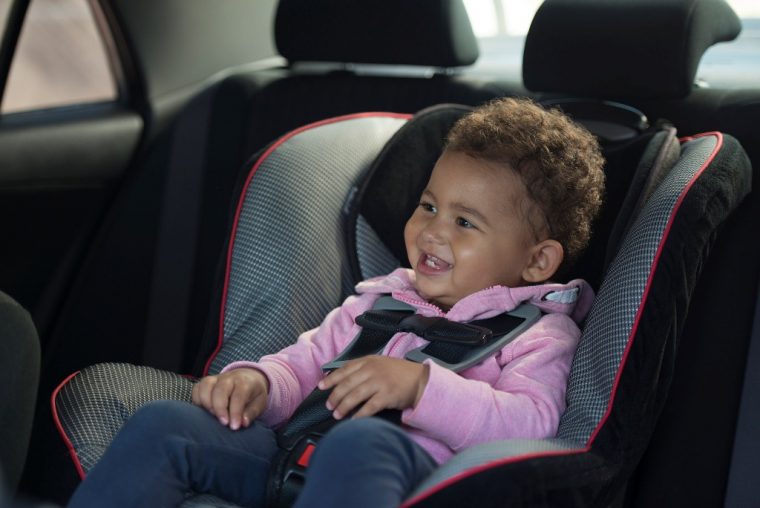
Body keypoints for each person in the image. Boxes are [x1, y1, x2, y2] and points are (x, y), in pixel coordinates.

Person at [67, 97, 605, 507]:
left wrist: (421, 387)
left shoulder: (539, 333)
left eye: (465, 222)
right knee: (166, 424)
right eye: (427, 205)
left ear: (537, 262)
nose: (430, 231)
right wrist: (257, 383)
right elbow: (303, 364)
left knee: (360, 443)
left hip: (413, 482)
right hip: (295, 458)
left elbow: (533, 424)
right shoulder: (382, 301)